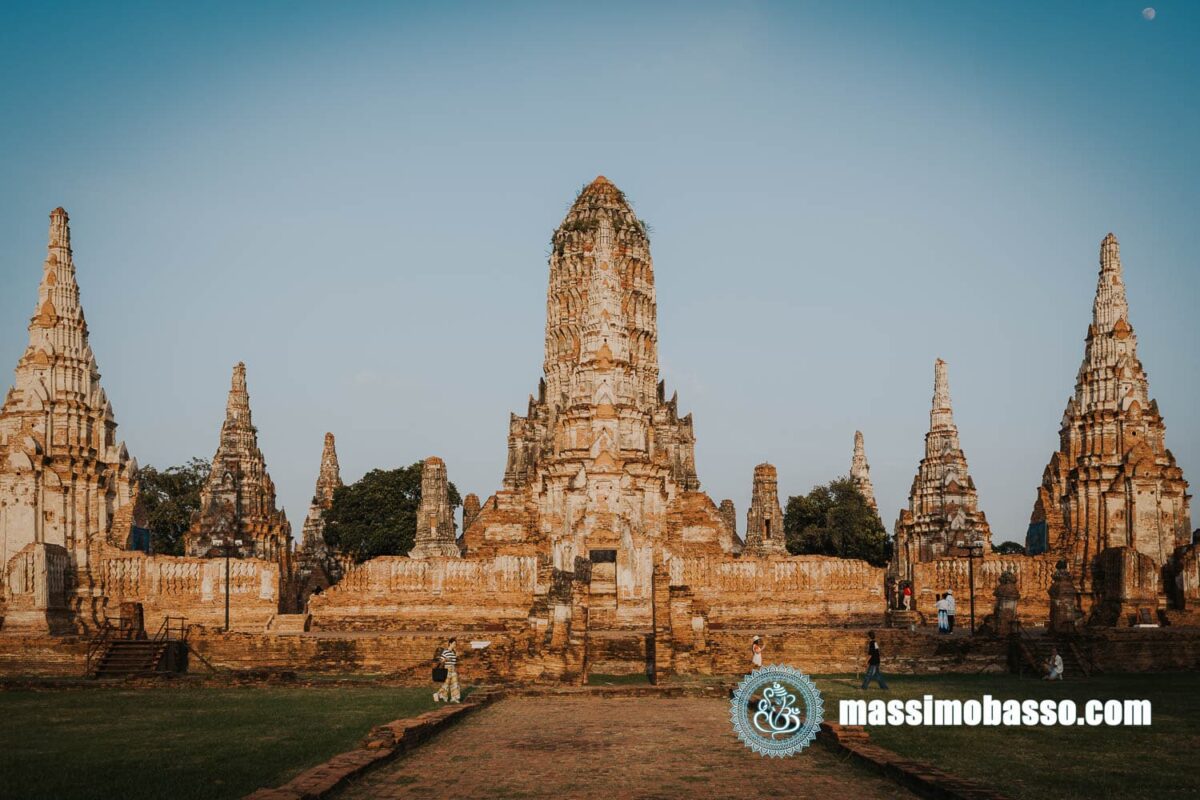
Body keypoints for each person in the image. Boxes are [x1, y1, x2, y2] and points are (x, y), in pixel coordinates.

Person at [433, 636, 461, 703]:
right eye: (454, 643)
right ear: (450, 644)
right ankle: (438, 694)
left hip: (453, 668)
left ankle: (454, 698)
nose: (455, 645)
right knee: (446, 684)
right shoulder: (445, 651)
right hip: (447, 668)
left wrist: (456, 656)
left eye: (455, 644)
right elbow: (440, 660)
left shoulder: (454, 652)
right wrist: (445, 659)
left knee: (455, 683)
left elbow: (454, 662)